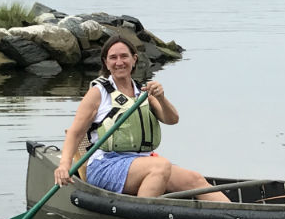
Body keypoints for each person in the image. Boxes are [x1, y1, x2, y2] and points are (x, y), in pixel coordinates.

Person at [54, 35, 229, 202]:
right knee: (160, 166)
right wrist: (64, 165)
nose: (119, 62)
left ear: (134, 59)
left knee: (195, 179)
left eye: (124, 56)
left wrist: (161, 97)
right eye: (113, 58)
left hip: (142, 162)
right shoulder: (98, 93)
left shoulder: (143, 92)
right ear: (106, 63)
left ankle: (238, 218)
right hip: (105, 165)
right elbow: (75, 132)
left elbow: (172, 119)